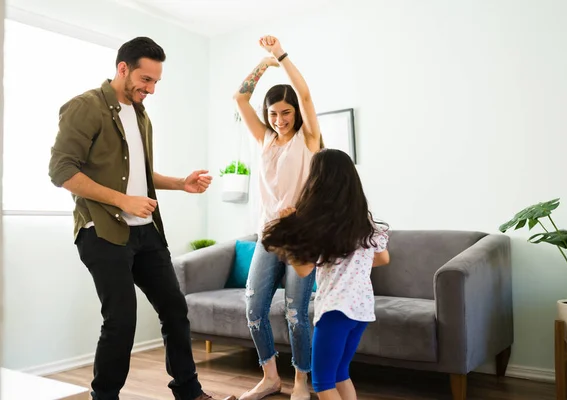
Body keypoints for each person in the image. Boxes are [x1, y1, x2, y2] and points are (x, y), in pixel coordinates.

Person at [48, 36, 236, 400]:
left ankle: (188, 391)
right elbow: (60, 171)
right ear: (123, 69)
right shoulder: (85, 107)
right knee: (121, 322)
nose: (150, 89)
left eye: (155, 82)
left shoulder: (140, 114)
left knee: (175, 309)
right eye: (145, 80)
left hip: (145, 232)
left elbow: (140, 174)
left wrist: (181, 183)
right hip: (102, 231)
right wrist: (123, 201)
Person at [232, 35, 323, 400]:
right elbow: (239, 97)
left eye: (285, 113)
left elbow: (306, 95)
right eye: (273, 114)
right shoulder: (265, 139)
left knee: (296, 314)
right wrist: (263, 65)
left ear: (295, 113)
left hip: (303, 238)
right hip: (267, 236)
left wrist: (281, 56)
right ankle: (270, 377)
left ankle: (302, 380)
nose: (279, 120)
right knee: (253, 307)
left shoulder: (309, 138)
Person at [261, 148, 391, 400]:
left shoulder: (320, 225)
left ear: (318, 181)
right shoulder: (364, 222)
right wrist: (354, 262)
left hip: (335, 310)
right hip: (362, 310)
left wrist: (290, 228)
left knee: (322, 382)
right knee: (341, 373)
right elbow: (383, 258)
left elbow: (303, 269)